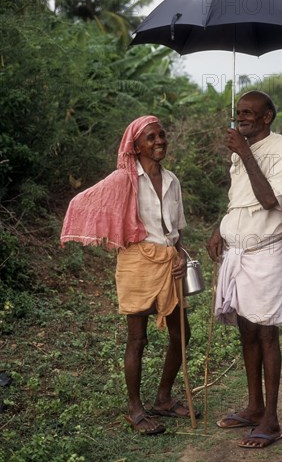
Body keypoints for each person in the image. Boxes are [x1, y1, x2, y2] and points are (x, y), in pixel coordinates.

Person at [61, 115, 196, 435]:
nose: (159, 141)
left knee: (182, 333)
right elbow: (83, 202)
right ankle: (135, 410)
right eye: (151, 137)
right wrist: (104, 230)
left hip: (168, 262)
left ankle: (163, 399)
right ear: (135, 146)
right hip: (136, 262)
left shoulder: (173, 181)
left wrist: (180, 255)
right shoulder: (123, 179)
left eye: (162, 135)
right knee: (138, 339)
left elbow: (176, 230)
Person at [207, 91, 282, 449]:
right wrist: (220, 228)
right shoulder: (241, 154)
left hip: (265, 255)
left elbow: (267, 200)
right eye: (238, 113)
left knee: (266, 334)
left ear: (268, 117)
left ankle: (272, 420)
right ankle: (253, 407)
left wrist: (245, 153)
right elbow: (239, 201)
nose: (241, 118)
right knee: (247, 330)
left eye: (249, 113)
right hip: (239, 253)